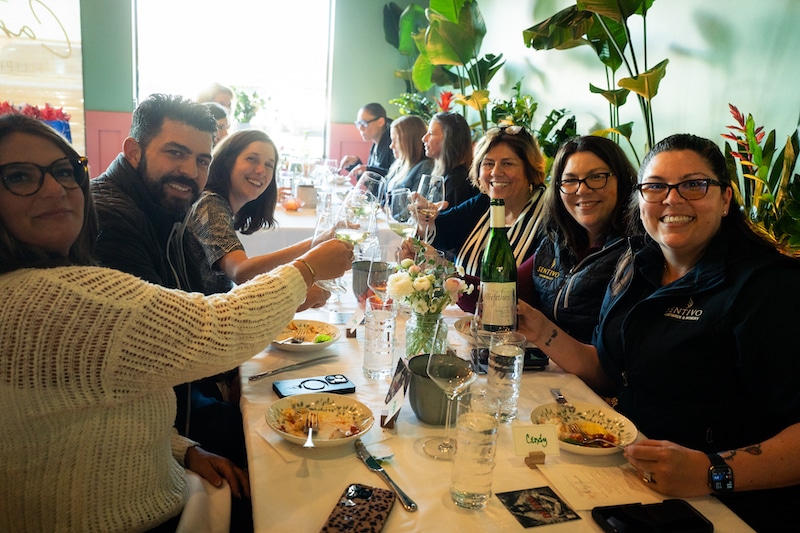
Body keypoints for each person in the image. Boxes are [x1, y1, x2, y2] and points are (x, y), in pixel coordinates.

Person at [0, 112, 353, 532]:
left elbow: (84, 404)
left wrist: (182, 449)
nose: (55, 189)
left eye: (64, 171)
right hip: (133, 516)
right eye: (21, 177)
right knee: (298, 487)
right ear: (132, 151)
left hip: (161, 470)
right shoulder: (55, 292)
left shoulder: (145, 214)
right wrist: (308, 268)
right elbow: (215, 328)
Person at [517, 133, 800, 532]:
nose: (672, 199)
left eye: (694, 184)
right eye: (656, 187)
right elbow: (606, 369)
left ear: (725, 199)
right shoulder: (638, 264)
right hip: (626, 474)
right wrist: (539, 329)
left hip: (718, 506)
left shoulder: (767, 288)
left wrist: (712, 470)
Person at [514, 135, 637, 342]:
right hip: (548, 366)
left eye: (597, 177)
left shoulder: (634, 253)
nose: (582, 189)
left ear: (623, 181)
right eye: (570, 180)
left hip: (586, 373)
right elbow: (503, 292)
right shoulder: (556, 242)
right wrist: (453, 284)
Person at [186, 129, 326, 300]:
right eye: (252, 159)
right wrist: (316, 243)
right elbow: (241, 273)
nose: (261, 170)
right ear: (226, 161)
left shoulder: (220, 205)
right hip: (204, 321)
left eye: (269, 165)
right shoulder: (209, 204)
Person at [415, 125, 546, 277]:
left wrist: (448, 273)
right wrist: (424, 220)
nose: (496, 172)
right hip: (462, 300)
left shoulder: (549, 217)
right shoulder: (482, 203)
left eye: (508, 163)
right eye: (489, 163)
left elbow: (518, 288)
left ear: (530, 170)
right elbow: (439, 232)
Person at [420, 111, 478, 209]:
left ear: (449, 139)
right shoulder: (443, 175)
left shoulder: (457, 183)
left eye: (431, 133)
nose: (424, 139)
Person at [338, 102, 395, 181]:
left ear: (380, 122)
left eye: (364, 123)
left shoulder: (393, 145)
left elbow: (393, 178)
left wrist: (368, 169)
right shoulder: (375, 145)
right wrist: (356, 164)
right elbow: (370, 182)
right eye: (358, 124)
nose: (360, 128)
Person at [384, 114, 432, 194]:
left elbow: (415, 204)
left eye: (395, 141)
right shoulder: (399, 164)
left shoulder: (425, 167)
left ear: (409, 142)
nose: (391, 146)